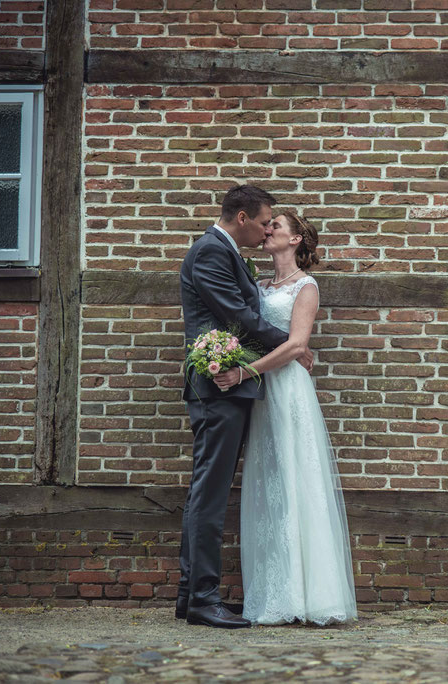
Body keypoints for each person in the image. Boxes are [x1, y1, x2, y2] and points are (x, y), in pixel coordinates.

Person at [213, 210, 357, 626]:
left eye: (276, 225)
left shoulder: (306, 287)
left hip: (288, 391)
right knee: (267, 485)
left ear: (295, 240)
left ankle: (310, 596)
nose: (267, 229)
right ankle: (275, 594)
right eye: (267, 224)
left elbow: (296, 346)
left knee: (296, 481)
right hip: (261, 394)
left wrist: (244, 371)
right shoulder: (257, 285)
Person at [177, 185, 311, 629]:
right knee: (210, 496)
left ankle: (191, 596)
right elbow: (236, 316)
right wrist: (292, 345)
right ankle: (202, 599)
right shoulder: (212, 252)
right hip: (218, 388)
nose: (267, 228)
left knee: (206, 492)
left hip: (230, 388)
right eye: (263, 221)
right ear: (241, 217)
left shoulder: (224, 251)